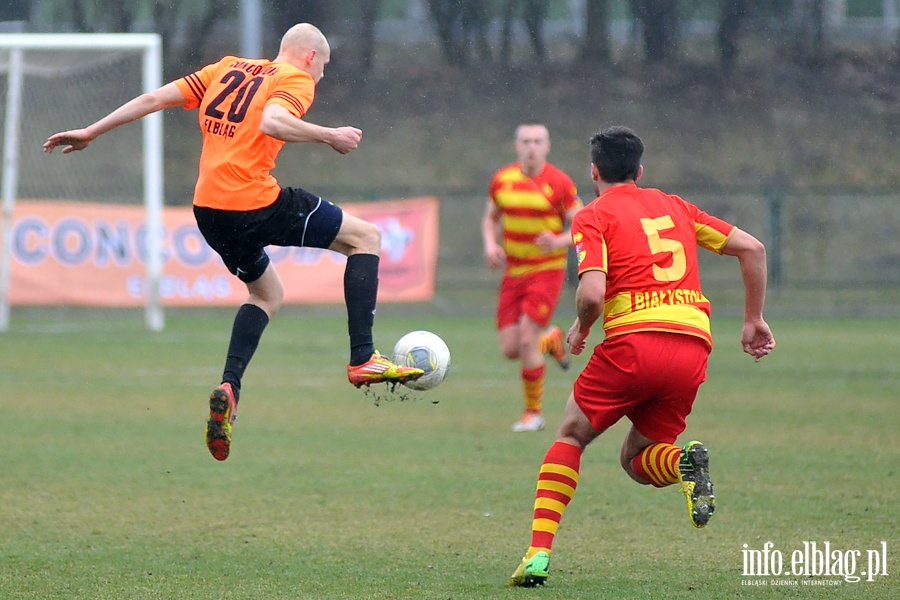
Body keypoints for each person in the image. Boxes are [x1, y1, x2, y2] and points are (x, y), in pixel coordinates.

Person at [43, 23, 423, 462]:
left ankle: (230, 387)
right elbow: (273, 121)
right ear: (310, 58)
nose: (320, 78)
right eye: (324, 69)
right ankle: (363, 358)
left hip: (208, 210)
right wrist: (330, 135)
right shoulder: (295, 78)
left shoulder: (226, 68)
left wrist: (91, 131)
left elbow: (152, 100)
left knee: (267, 293)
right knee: (367, 237)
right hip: (252, 202)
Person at [508, 126, 776, 587]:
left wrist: (581, 329)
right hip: (692, 346)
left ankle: (536, 555)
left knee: (571, 434)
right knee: (638, 459)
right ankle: (682, 464)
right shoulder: (677, 206)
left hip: (634, 342)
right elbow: (752, 248)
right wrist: (753, 319)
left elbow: (592, 294)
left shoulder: (592, 215)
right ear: (640, 171)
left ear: (593, 171)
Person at [482, 123, 583, 433]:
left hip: (546, 271)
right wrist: (490, 244)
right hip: (513, 272)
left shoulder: (559, 183)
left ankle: (533, 414)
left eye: (537, 141)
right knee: (511, 349)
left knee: (526, 340)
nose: (531, 147)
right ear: (517, 146)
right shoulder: (503, 179)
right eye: (526, 141)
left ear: (547, 146)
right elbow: (490, 217)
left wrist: (558, 241)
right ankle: (550, 339)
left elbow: (583, 225)